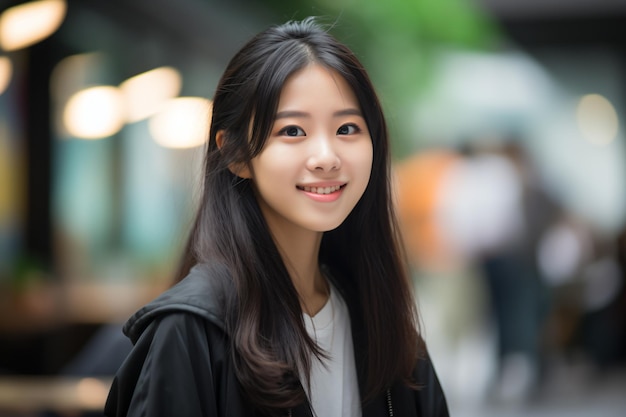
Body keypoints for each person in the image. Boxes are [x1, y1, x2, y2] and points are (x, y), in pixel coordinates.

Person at [104, 18, 449, 417]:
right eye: (293, 131)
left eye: (348, 127)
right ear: (235, 154)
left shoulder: (383, 325)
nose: (326, 157)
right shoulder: (190, 332)